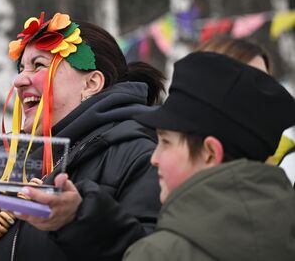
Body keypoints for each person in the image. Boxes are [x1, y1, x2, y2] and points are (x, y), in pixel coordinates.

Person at [0, 12, 165, 260]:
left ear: (91, 83)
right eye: (21, 68)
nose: (19, 80)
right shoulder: (7, 154)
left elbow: (148, 253)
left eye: (39, 65)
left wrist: (79, 219)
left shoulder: (140, 157)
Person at [123, 51, 295, 261]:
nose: (154, 158)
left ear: (210, 152)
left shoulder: (159, 254)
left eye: (166, 142)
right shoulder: (284, 233)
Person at [198, 36, 295, 186]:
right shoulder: (173, 156)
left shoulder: (287, 160)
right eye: (244, 84)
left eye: (264, 83)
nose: (259, 95)